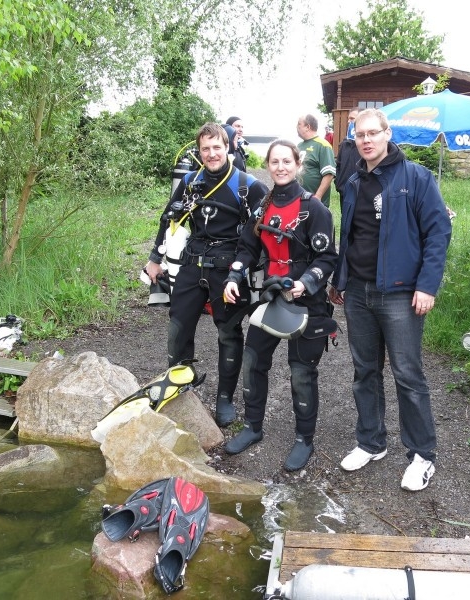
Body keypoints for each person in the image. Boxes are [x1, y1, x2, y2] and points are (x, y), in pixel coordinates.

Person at [329, 108, 452, 491]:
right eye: (359, 135)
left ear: (387, 134)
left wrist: (427, 286)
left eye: (372, 133)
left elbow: (437, 232)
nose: (366, 141)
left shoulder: (416, 178)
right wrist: (340, 280)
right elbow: (348, 237)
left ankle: (422, 455)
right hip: (359, 293)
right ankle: (371, 442)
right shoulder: (351, 183)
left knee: (408, 375)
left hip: (401, 294)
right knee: (365, 371)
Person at [222, 140, 338, 471]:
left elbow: (328, 256)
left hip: (307, 301)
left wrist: (306, 283)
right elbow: (246, 248)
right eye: (275, 161)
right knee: (253, 360)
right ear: (269, 165)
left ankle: (304, 440)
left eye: (287, 161)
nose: (281, 167)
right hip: (271, 297)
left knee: (301, 373)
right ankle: (252, 427)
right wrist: (233, 277)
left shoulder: (315, 210)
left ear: (298, 165)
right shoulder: (261, 209)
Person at [145, 122, 268, 426]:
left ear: (227, 147)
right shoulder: (189, 180)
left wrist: (253, 274)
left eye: (217, 147)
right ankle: (179, 384)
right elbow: (168, 218)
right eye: (206, 148)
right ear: (199, 151)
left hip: (228, 266)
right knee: (178, 328)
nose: (212, 154)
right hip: (193, 260)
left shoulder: (248, 185)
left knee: (228, 333)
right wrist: (154, 258)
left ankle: (224, 398)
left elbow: (260, 234)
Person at [296, 114, 336, 208]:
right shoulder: (299, 146)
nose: (296, 127)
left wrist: (318, 197)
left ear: (307, 127)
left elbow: (329, 174)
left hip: (314, 203)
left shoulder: (323, 145)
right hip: (297, 201)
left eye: (299, 124)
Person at [334, 108, 361, 215]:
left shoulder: (365, 144)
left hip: (360, 192)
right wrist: (338, 183)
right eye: (348, 119)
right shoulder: (344, 143)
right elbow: (338, 165)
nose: (349, 121)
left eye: (352, 119)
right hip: (344, 191)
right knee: (345, 220)